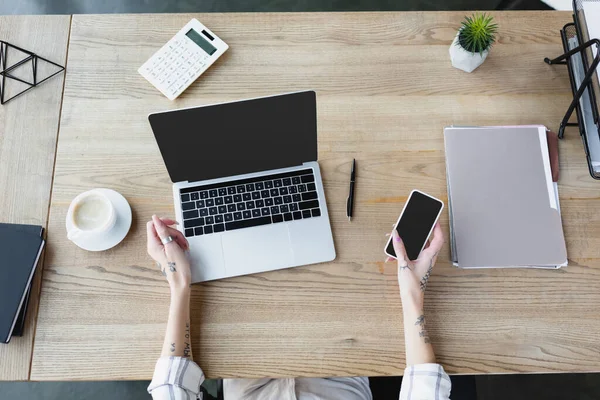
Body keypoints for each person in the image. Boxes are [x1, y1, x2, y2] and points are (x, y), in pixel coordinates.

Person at [146, 215, 451, 400]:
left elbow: (171, 390)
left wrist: (180, 284)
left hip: (252, 386)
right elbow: (426, 389)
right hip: (338, 381)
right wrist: (412, 295)